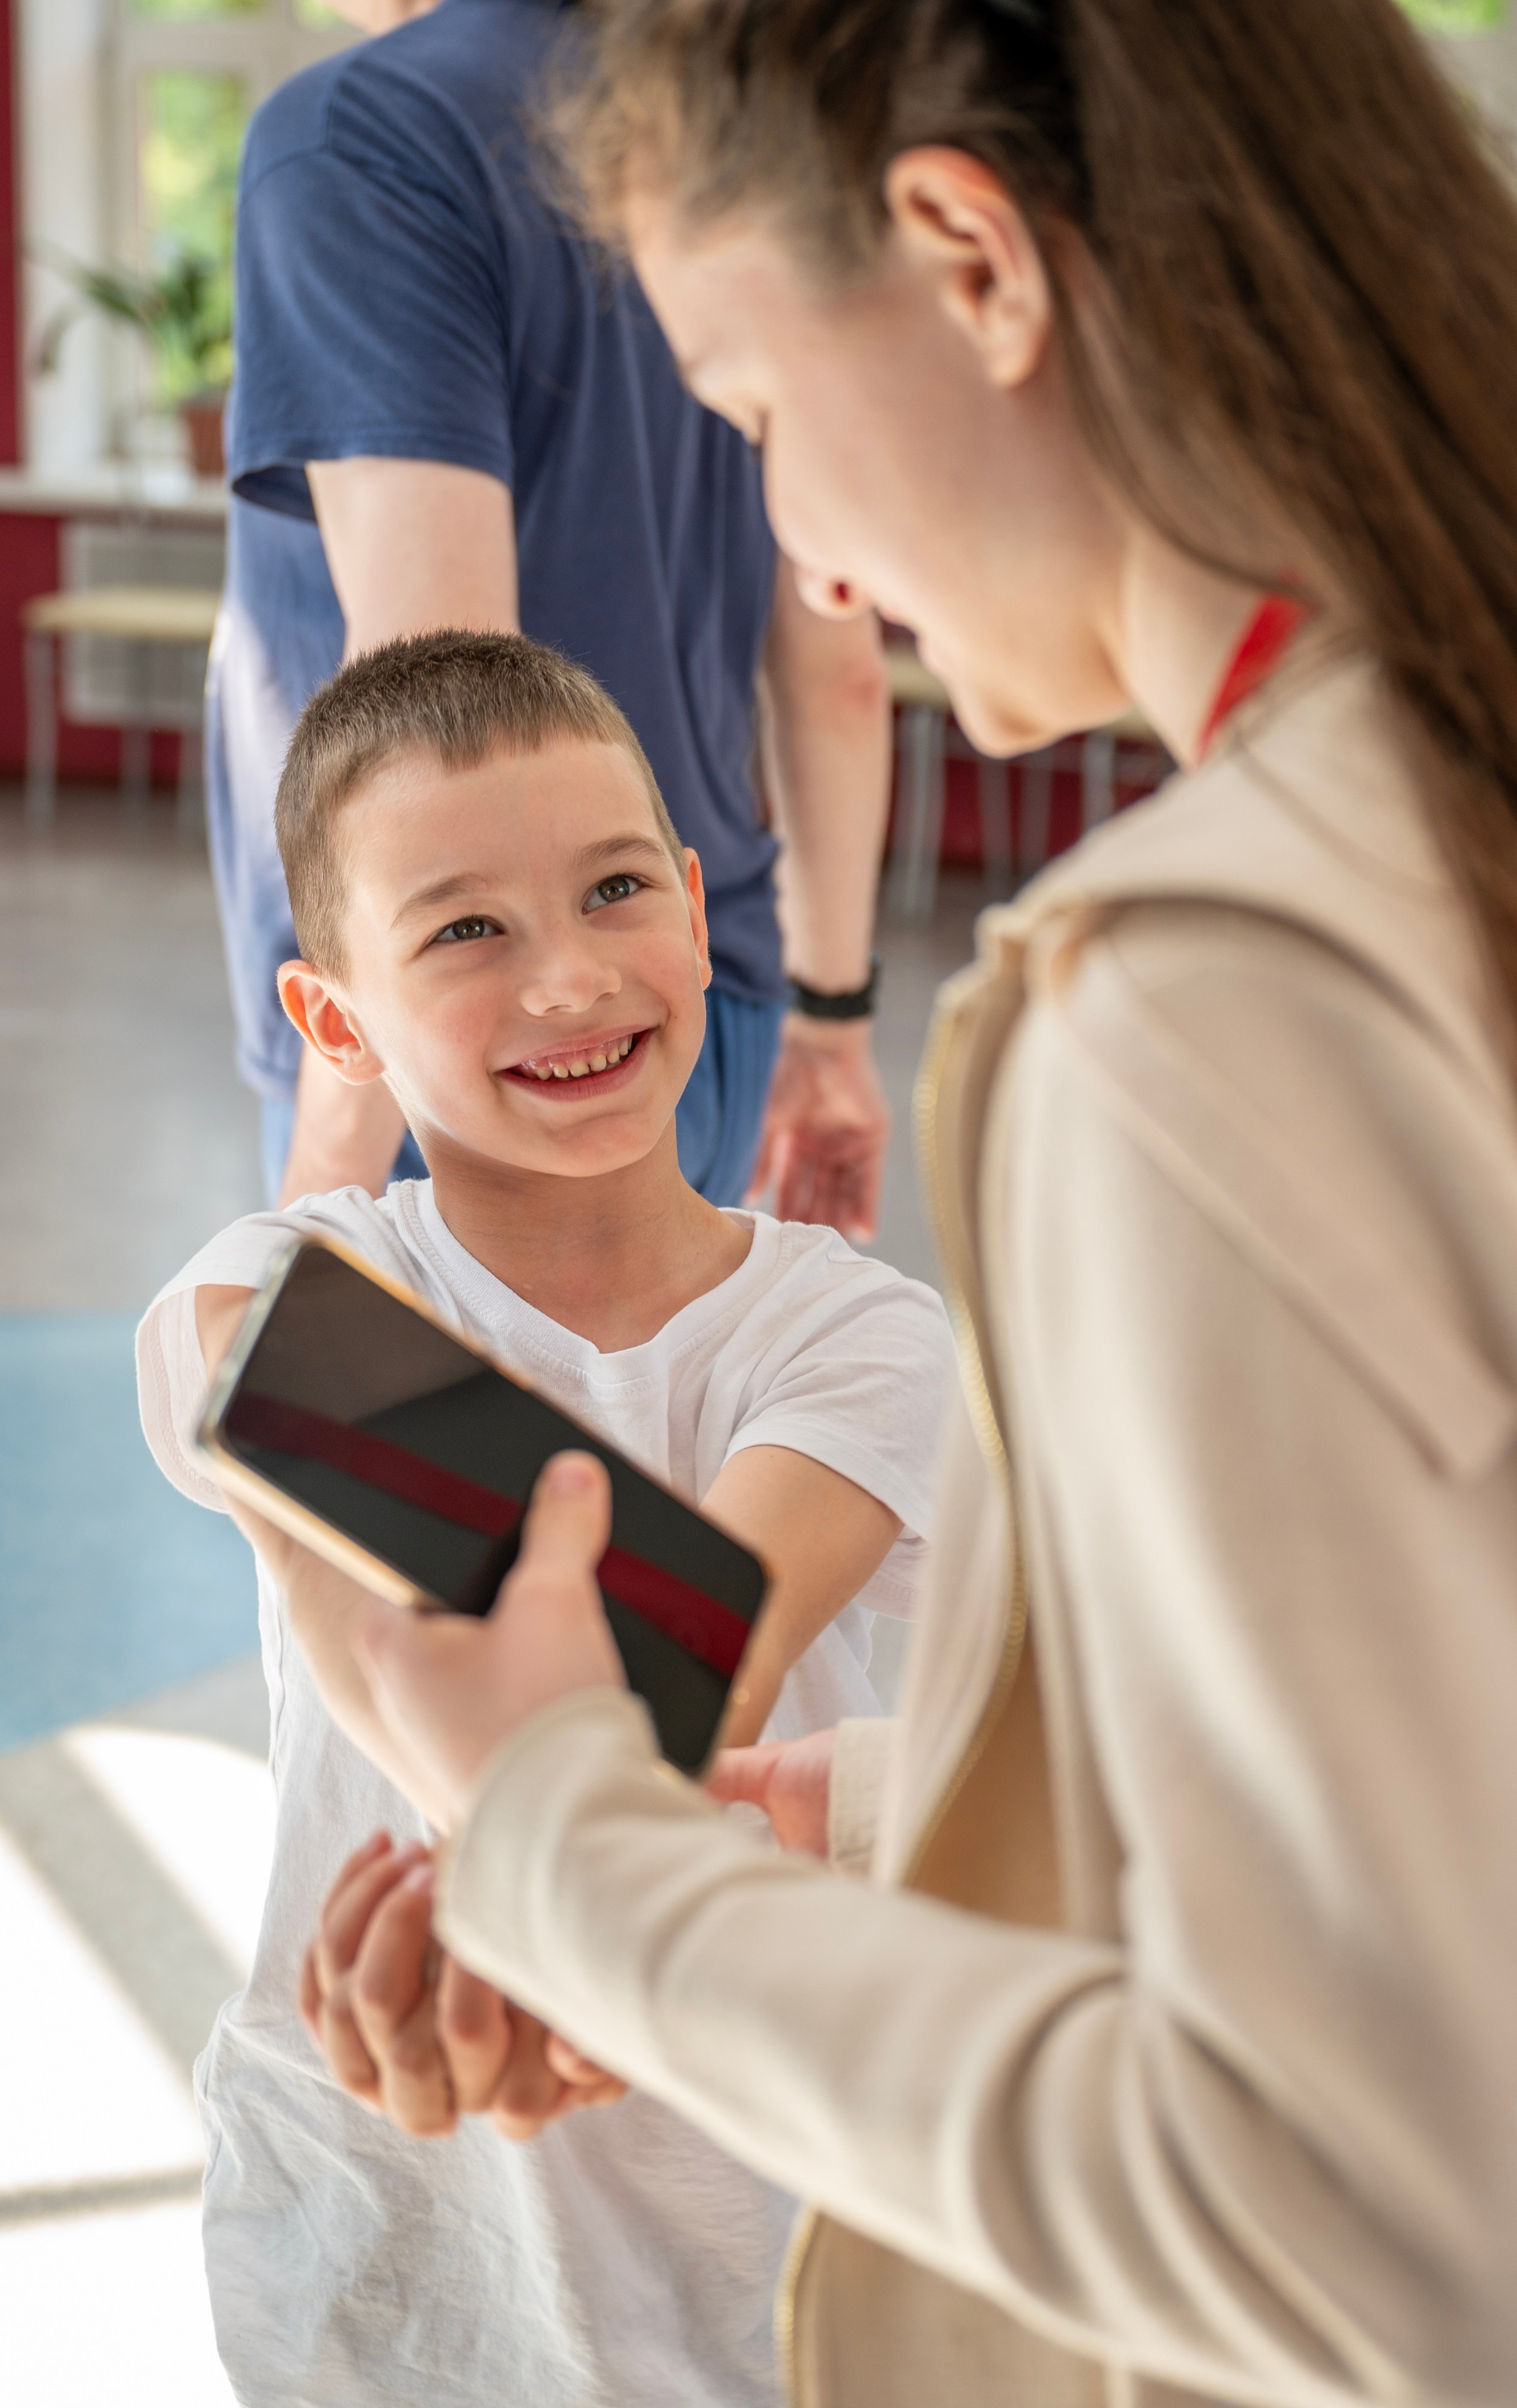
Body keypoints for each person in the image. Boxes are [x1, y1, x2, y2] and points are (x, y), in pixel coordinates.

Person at [306, 1, 1517, 2402]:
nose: (803, 550)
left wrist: (572, 1840)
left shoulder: (1198, 999)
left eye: (752, 409)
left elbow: (1369, 2220)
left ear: (972, 259)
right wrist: (882, 1818)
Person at [136, 628, 957, 2408]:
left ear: (693, 897)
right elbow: (353, 1594)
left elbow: (689, 1664)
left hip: (761, 2248)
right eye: (466, 931)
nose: (571, 981)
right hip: (377, 2229)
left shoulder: (853, 1332)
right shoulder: (280, 1291)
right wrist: (521, 1840)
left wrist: (510, 1850)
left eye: (610, 894)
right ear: (334, 1020)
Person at [208, 0, 892, 1225]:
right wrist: (829, 1019)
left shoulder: (362, 139)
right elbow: (832, 661)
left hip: (467, 1048)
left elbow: (436, 715)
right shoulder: (727, 126)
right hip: (698, 1007)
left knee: (442, 1426)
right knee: (655, 1426)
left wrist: (321, 1188)